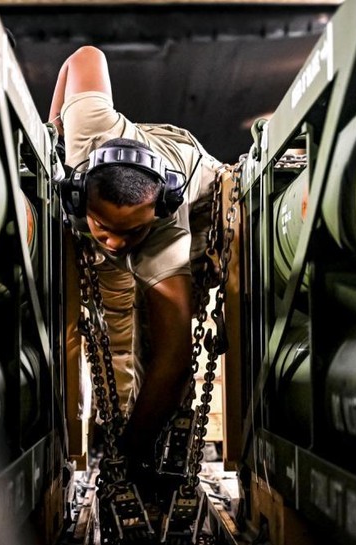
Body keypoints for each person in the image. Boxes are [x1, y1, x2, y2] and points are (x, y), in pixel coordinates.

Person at [47, 46, 227, 472]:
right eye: (102, 226)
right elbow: (84, 56)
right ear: (79, 196)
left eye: (129, 233)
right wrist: (50, 135)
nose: (113, 243)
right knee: (113, 329)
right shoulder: (87, 131)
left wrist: (132, 453)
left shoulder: (166, 234)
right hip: (130, 153)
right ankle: (121, 419)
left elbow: (175, 358)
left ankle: (150, 439)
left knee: (155, 334)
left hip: (193, 186)